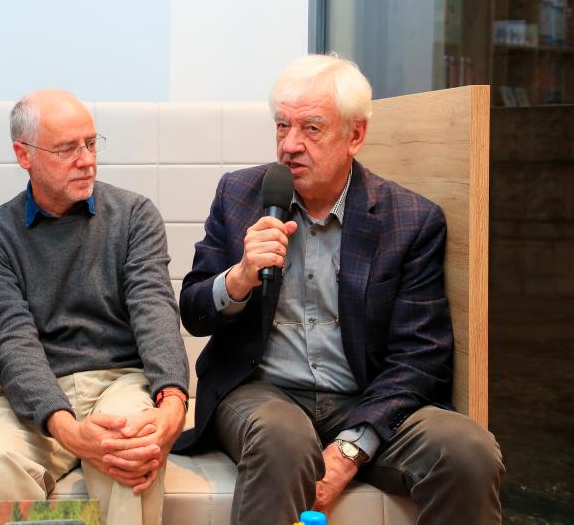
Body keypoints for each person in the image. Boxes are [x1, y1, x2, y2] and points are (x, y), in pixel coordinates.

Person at [174, 54, 504, 524]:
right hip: (262, 393)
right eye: (282, 126)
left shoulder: (410, 219)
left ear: (355, 135)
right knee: (281, 437)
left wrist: (351, 449)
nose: (290, 145)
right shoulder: (239, 193)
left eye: (311, 129)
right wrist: (240, 276)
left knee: (468, 450)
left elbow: (421, 356)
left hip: (366, 397)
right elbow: (193, 311)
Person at [0, 89, 189, 525]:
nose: (87, 160)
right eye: (67, 149)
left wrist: (172, 400)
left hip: (120, 383)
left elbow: (155, 311)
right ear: (23, 155)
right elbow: (12, 346)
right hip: (32, 398)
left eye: (91, 143)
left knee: (129, 449)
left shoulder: (134, 215)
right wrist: (68, 430)